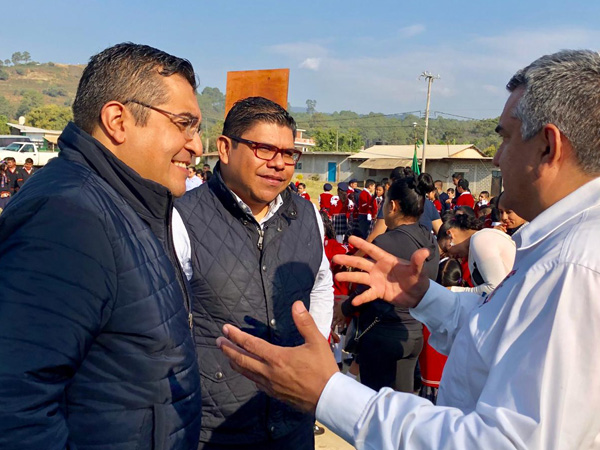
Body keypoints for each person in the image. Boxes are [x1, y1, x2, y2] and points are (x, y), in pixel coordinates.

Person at [216, 49, 600, 449]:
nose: (498, 158)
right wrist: (425, 297)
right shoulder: (559, 246)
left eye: (504, 137)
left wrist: (329, 393)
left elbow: (504, 443)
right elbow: (501, 333)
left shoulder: (575, 267)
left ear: (548, 147)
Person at [0, 43, 204, 449]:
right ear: (117, 120)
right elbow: (14, 405)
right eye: (184, 124)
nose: (197, 146)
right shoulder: (68, 215)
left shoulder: (125, 204)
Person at [173, 96, 333, 450]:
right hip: (216, 427)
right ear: (226, 149)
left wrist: (314, 345)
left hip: (293, 421)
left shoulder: (308, 216)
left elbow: (321, 283)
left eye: (288, 154)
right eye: (264, 149)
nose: (278, 164)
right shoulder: (181, 218)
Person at [333, 171, 439, 393]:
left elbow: (366, 290)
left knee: (379, 402)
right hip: (414, 332)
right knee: (403, 399)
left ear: (393, 206)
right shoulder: (429, 239)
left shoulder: (385, 241)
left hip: (383, 333)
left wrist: (343, 308)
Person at [443, 213, 516, 295]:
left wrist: (453, 290)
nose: (450, 255)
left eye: (446, 249)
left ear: (450, 234)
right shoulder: (479, 241)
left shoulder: (480, 239)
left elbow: (496, 288)